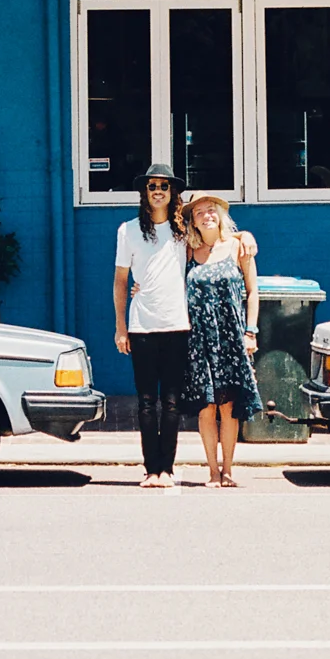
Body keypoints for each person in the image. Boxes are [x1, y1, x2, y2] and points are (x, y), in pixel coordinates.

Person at [113, 162, 189, 489]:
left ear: (173, 192)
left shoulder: (183, 230)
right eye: (152, 186)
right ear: (145, 192)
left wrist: (245, 238)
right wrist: (120, 327)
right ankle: (150, 470)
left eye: (164, 186)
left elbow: (217, 227)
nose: (158, 191)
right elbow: (120, 281)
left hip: (176, 325)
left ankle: (167, 470)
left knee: (171, 402)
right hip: (141, 326)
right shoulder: (128, 230)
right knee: (146, 402)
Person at [181, 190, 261, 488]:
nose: (207, 215)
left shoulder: (238, 247)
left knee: (228, 406)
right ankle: (212, 471)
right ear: (193, 221)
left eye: (211, 209)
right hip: (199, 339)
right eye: (200, 212)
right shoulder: (188, 253)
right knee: (206, 406)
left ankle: (228, 470)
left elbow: (253, 292)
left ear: (221, 215)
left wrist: (250, 331)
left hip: (231, 337)